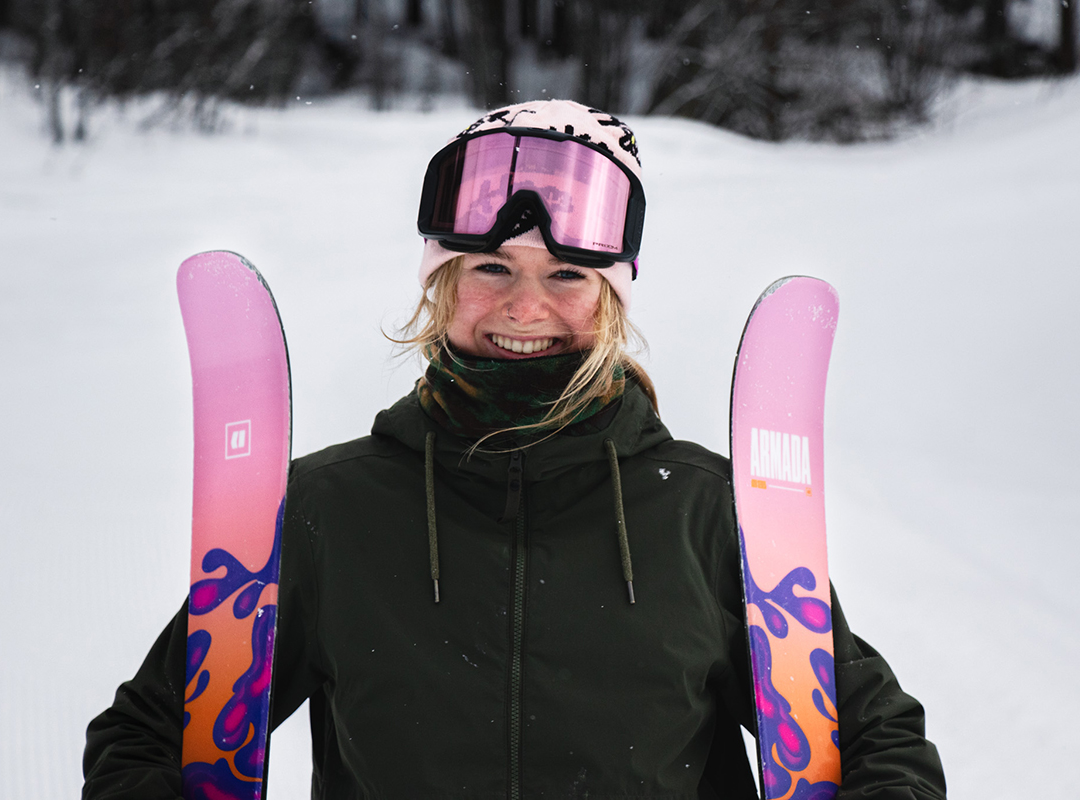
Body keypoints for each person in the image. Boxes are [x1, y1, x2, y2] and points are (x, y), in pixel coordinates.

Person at [83, 100, 946, 799]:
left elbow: (876, 738)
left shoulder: (709, 514)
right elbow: (144, 736)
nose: (524, 308)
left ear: (611, 302)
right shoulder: (327, 512)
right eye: (490, 268)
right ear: (441, 285)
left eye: (566, 277)